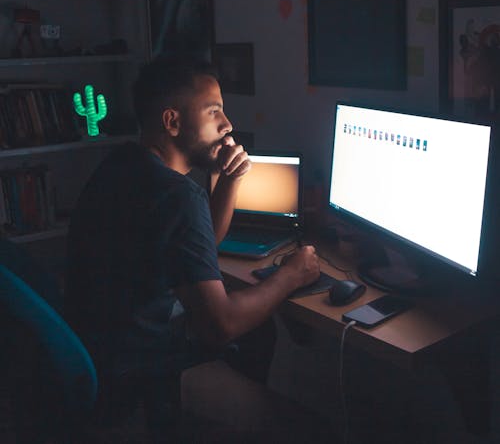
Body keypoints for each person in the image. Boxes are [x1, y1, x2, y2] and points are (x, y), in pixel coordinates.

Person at [64, 57, 320, 430]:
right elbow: (220, 325)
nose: (228, 124)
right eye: (214, 111)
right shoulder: (177, 195)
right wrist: (291, 276)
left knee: (261, 332)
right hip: (139, 373)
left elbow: (199, 249)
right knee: (311, 429)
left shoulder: (123, 163)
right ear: (172, 122)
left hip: (100, 348)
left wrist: (227, 180)